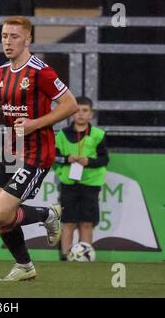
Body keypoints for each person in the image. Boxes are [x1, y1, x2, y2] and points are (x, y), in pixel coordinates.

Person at [0, 15, 78, 281]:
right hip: (10, 151)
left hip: (37, 153)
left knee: (1, 211)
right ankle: (25, 266)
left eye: (14, 36)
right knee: (2, 218)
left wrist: (35, 124)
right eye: (4, 36)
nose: (7, 42)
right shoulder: (1, 73)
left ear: (28, 39)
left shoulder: (41, 71)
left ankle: (48, 214)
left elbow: (70, 105)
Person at [54, 96, 109, 260]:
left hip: (90, 184)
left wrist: (88, 161)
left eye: (85, 111)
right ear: (72, 113)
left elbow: (104, 159)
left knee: (86, 222)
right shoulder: (62, 135)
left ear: (91, 114)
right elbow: (52, 157)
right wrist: (66, 159)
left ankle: (84, 256)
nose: (80, 114)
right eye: (77, 110)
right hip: (68, 184)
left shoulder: (98, 135)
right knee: (68, 222)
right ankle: (66, 256)